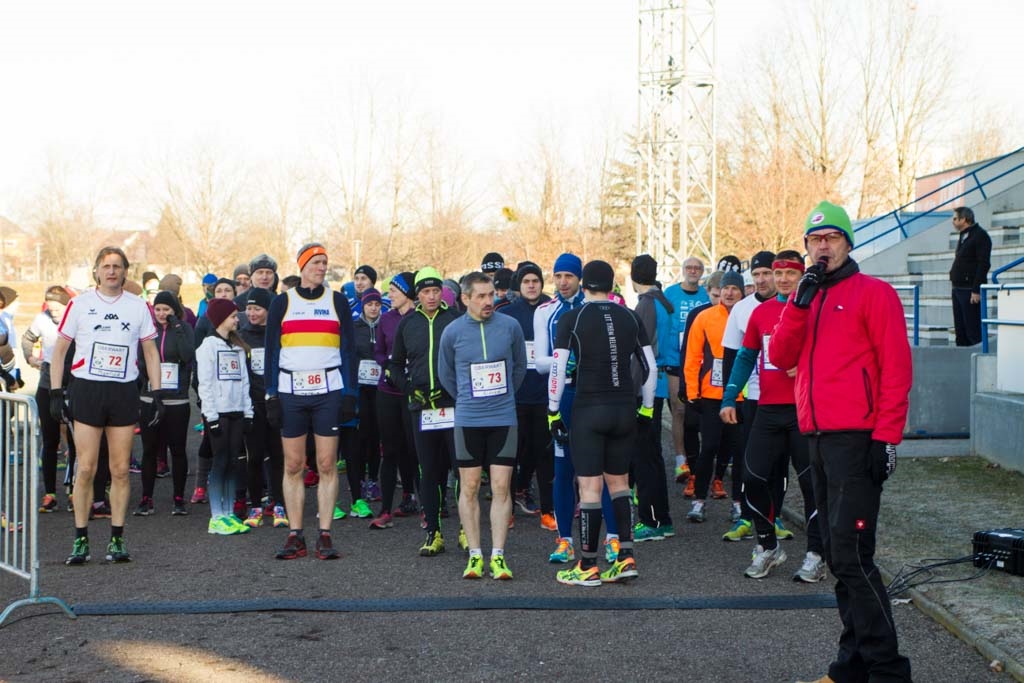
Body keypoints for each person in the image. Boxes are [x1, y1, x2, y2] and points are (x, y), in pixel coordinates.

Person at [771, 201, 913, 683]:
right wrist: (797, 305)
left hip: (858, 438)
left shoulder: (874, 293)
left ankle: (889, 670)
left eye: (831, 237)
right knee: (836, 554)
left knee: (852, 556)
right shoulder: (803, 298)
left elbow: (897, 369)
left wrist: (886, 436)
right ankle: (851, 666)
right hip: (817, 435)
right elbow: (780, 356)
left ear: (848, 242)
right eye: (815, 240)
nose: (823, 246)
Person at [50, 246, 165, 565]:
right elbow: (60, 350)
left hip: (123, 392)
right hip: (87, 389)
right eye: (106, 266)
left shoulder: (138, 306)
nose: (112, 271)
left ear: (126, 271)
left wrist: (157, 393)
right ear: (97, 272)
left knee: (119, 469)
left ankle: (117, 538)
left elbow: (151, 352)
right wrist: (56, 392)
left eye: (117, 266)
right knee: (86, 466)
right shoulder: (81, 303)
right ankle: (81, 539)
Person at [720, 250, 826, 581]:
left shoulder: (817, 308)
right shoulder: (760, 312)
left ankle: (816, 555)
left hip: (804, 410)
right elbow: (745, 357)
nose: (781, 279)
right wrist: (728, 397)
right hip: (767, 409)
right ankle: (768, 547)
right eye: (777, 274)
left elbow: (836, 355)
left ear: (801, 276)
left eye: (789, 274)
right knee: (752, 477)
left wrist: (810, 368)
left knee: (811, 483)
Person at [551, 260, 657, 586]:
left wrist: (553, 412)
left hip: (588, 409)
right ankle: (625, 557)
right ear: (612, 286)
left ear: (583, 284)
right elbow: (649, 367)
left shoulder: (572, 317)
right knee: (620, 483)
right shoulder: (629, 315)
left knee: (589, 487)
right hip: (624, 408)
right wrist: (648, 410)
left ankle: (587, 565)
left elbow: (558, 369)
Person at [265, 243, 358, 560]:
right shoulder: (283, 302)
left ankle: (325, 534)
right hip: (291, 391)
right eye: (316, 262)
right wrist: (271, 394)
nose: (322, 267)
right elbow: (271, 352)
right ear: (302, 266)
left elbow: (348, 350)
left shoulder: (337, 301)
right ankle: (295, 534)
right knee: (293, 465)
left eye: (324, 262)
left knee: (327, 463)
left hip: (328, 392)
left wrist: (350, 393)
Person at [533, 253, 621, 565]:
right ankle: (564, 540)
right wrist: (564, 359)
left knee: (605, 471)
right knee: (563, 471)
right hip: (565, 396)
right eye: (557, 276)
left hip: (595, 396)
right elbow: (539, 363)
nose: (563, 282)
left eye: (568, 276)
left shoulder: (595, 308)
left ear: (580, 279)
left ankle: (613, 539)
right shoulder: (545, 312)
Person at [438, 272, 527, 579]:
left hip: (503, 417)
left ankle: (498, 556)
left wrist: (502, 398)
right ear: (465, 299)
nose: (489, 301)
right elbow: (446, 374)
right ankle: (475, 554)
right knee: (470, 486)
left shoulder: (510, 327)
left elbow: (519, 368)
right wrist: (469, 398)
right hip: (469, 420)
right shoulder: (452, 332)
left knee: (502, 488)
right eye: (481, 296)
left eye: (491, 295)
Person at [388, 267, 462, 557]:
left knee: (461, 470)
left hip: (453, 406)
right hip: (422, 407)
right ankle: (434, 532)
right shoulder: (408, 324)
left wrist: (456, 390)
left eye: (435, 291)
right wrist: (409, 388)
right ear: (416, 295)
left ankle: (466, 530)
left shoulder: (455, 320)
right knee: (429, 471)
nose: (431, 297)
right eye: (425, 292)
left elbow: (466, 360)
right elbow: (394, 365)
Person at [719, 250, 782, 538]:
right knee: (745, 457)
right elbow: (732, 357)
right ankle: (744, 515)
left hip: (785, 398)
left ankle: (776, 517)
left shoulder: (791, 306)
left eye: (766, 273)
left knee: (780, 461)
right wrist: (729, 399)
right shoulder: (742, 309)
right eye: (756, 275)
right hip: (751, 397)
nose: (761, 280)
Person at [683, 270, 745, 523]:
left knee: (739, 451)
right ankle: (699, 501)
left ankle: (739, 503)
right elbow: (693, 355)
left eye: (735, 289)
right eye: (726, 288)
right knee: (708, 447)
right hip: (710, 394)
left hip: (742, 396)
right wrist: (691, 392)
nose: (729, 293)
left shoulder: (750, 315)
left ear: (742, 292)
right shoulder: (704, 317)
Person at [499, 262, 555, 529]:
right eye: (526, 282)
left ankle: (548, 510)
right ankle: (507, 509)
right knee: (510, 454)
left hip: (545, 395)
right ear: (519, 286)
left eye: (536, 281)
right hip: (516, 397)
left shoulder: (552, 309)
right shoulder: (507, 314)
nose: (532, 285)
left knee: (544, 455)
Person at [135, 291, 195, 517]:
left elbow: (187, 355)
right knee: (149, 450)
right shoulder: (148, 330)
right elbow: (140, 361)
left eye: (166, 309)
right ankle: (146, 498)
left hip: (176, 399)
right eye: (158, 309)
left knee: (177, 449)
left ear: (175, 310)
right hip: (150, 397)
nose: (161, 313)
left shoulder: (185, 329)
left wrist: (177, 327)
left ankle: (178, 498)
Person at [195, 298, 253, 535]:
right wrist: (211, 416)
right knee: (219, 462)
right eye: (233, 316)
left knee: (232, 462)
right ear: (220, 319)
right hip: (218, 413)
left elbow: (244, 382)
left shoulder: (238, 347)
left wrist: (248, 412)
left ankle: (229, 513)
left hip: (237, 411)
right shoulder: (207, 347)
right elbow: (205, 384)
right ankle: (216, 515)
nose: (237, 319)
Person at [629, 255, 675, 541]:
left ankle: (653, 520)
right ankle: (661, 518)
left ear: (634, 277)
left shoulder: (646, 304)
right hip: (658, 385)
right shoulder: (664, 302)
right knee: (652, 455)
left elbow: (640, 353)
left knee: (645, 456)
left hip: (645, 388)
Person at [369, 272, 420, 528]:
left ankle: (428, 509)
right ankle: (386, 509)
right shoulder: (385, 319)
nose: (389, 295)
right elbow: (378, 351)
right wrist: (388, 364)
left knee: (416, 450)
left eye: (394, 290)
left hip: (411, 393)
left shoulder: (419, 319)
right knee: (389, 450)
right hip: (387, 392)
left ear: (408, 293)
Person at [21, 286, 74, 513]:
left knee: (74, 441)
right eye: (50, 309)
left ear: (66, 305)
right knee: (50, 439)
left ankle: (73, 490)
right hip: (46, 383)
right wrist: (31, 358)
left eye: (57, 309)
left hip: (72, 383)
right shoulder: (41, 320)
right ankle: (50, 493)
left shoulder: (76, 319)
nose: (53, 313)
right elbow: (27, 339)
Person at [238, 287, 287, 529]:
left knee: (278, 456)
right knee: (254, 456)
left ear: (268, 310)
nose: (252, 313)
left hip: (276, 403)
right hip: (252, 404)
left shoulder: (277, 334)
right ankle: (255, 504)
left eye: (257, 308)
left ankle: (279, 504)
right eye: (249, 308)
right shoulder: (241, 335)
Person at [663, 257, 709, 489]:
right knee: (678, 407)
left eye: (697, 268)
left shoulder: (706, 295)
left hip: (700, 360)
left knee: (700, 409)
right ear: (683, 271)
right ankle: (681, 459)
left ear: (702, 272)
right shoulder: (670, 293)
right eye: (689, 267)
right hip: (674, 358)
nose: (693, 271)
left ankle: (701, 457)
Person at [346, 287, 385, 519]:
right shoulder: (354, 328)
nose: (373, 308)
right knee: (360, 436)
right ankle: (359, 480)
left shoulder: (384, 326)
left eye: (377, 304)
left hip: (379, 387)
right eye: (370, 304)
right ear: (363, 305)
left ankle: (373, 479)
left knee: (376, 435)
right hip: (361, 387)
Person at [949, 206, 992, 346]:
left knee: (972, 330)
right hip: (957, 289)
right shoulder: (964, 235)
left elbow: (983, 264)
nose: (953, 221)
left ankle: (975, 358)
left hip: (969, 290)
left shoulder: (980, 236)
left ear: (964, 219)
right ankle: (962, 361)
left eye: (955, 218)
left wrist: (976, 289)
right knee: (960, 330)